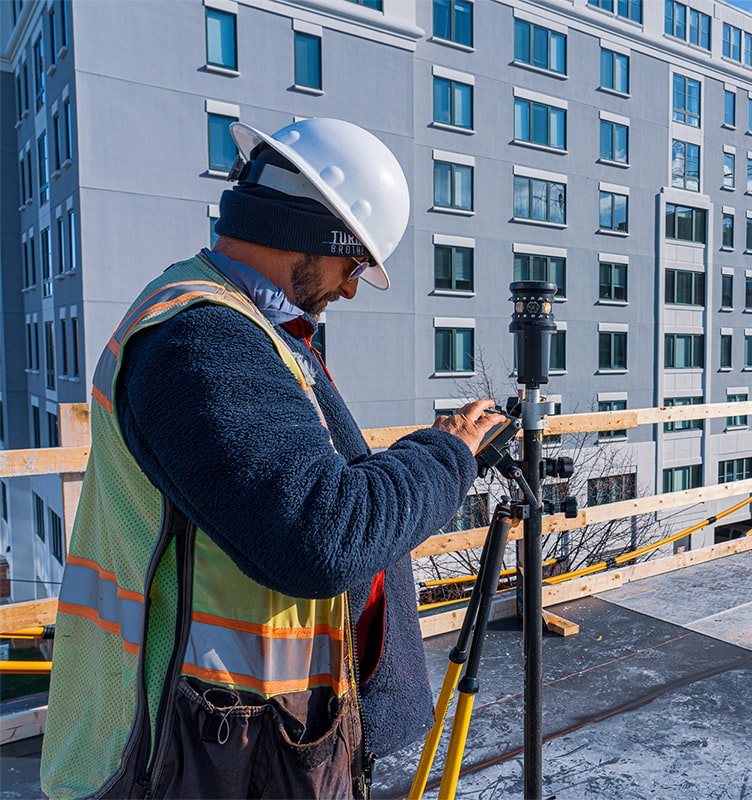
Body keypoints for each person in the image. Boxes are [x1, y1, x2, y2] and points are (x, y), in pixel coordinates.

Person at [40, 117, 504, 799]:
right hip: (198, 750)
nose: (350, 289)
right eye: (353, 265)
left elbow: (309, 487)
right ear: (318, 233)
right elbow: (321, 533)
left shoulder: (255, 330)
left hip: (252, 739)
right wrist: (445, 456)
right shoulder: (200, 341)